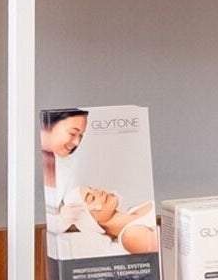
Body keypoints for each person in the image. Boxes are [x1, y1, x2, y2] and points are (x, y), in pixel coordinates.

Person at [40, 108, 157, 254]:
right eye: (72, 133)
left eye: (81, 135)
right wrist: (62, 221)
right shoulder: (131, 235)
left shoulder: (133, 209)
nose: (77, 142)